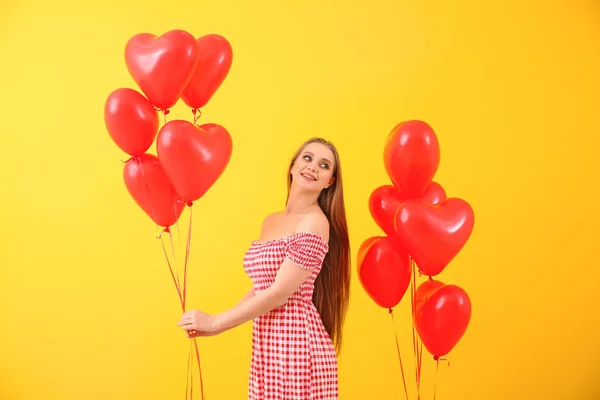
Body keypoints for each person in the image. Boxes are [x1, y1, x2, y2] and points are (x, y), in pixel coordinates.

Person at [176, 137, 351, 400]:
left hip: (297, 347)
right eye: (307, 158)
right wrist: (218, 325)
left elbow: (279, 292)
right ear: (292, 166)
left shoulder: (315, 223)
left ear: (330, 182)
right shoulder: (271, 221)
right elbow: (262, 288)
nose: (313, 167)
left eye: (324, 165)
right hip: (267, 345)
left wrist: (215, 321)